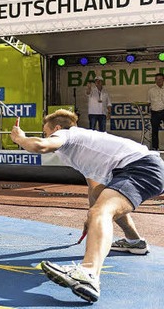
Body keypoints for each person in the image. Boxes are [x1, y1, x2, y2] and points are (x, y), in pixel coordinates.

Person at [11, 109, 162, 303]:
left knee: (102, 211)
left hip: (141, 168)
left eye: (46, 132)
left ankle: (88, 273)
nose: (46, 136)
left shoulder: (68, 134)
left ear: (57, 128)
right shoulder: (79, 149)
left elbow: (39, 146)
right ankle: (135, 242)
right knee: (101, 208)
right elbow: (95, 190)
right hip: (139, 168)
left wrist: (21, 139)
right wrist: (92, 218)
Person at [148, 73, 164, 150]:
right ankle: (155, 148)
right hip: (155, 112)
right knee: (154, 131)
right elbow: (149, 102)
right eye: (157, 79)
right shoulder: (151, 90)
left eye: (160, 79)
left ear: (163, 80)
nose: (158, 81)